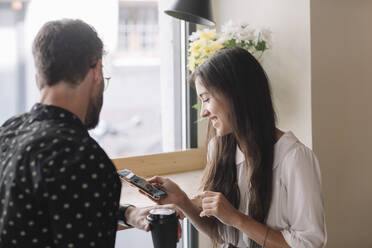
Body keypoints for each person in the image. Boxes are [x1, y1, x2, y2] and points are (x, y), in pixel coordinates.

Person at [0, 19, 162, 247]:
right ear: (95, 71)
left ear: (39, 80)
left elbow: (43, 209)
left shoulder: (9, 132)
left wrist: (127, 212)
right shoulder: (82, 159)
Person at [149, 47, 327, 248]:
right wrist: (182, 201)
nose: (203, 113)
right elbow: (223, 235)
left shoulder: (294, 159)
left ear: (237, 95)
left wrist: (237, 218)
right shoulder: (219, 148)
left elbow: (308, 244)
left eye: (207, 99)